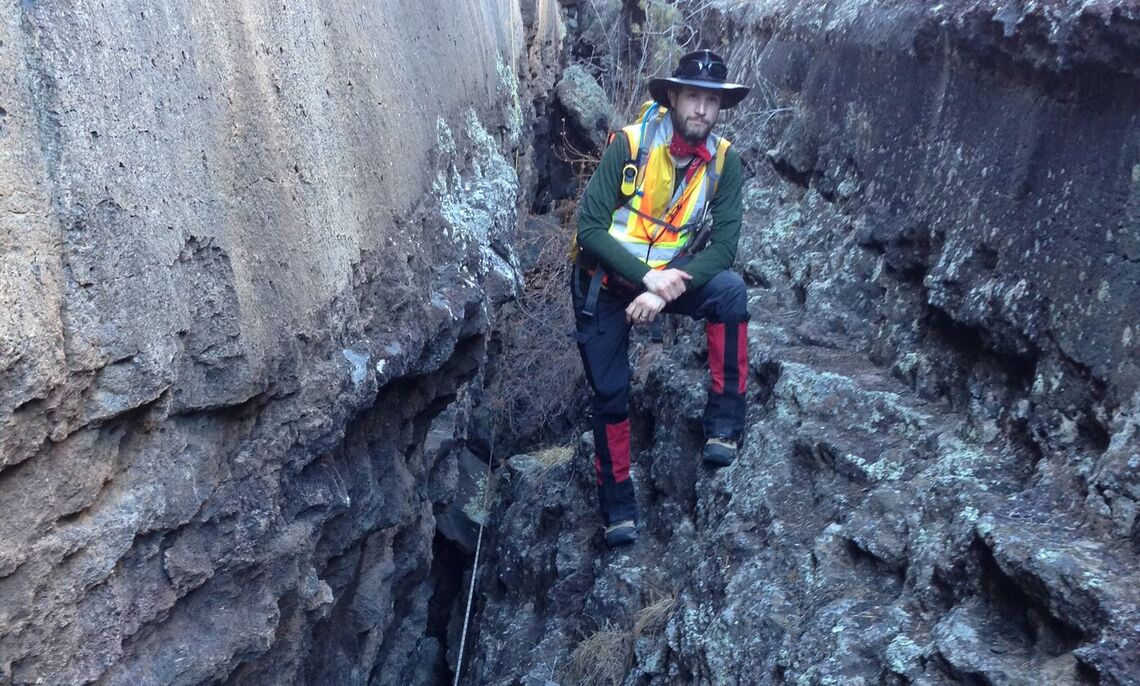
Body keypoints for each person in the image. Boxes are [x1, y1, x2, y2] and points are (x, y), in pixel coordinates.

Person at [571, 50, 751, 547]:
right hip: (603, 286)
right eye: (693, 96)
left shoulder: (725, 163)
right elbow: (589, 229)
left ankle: (724, 428)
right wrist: (647, 278)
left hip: (665, 282)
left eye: (711, 101)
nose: (702, 109)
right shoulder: (629, 145)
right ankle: (619, 510)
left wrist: (670, 282)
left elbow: (725, 248)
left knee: (731, 294)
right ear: (673, 97)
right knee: (611, 396)